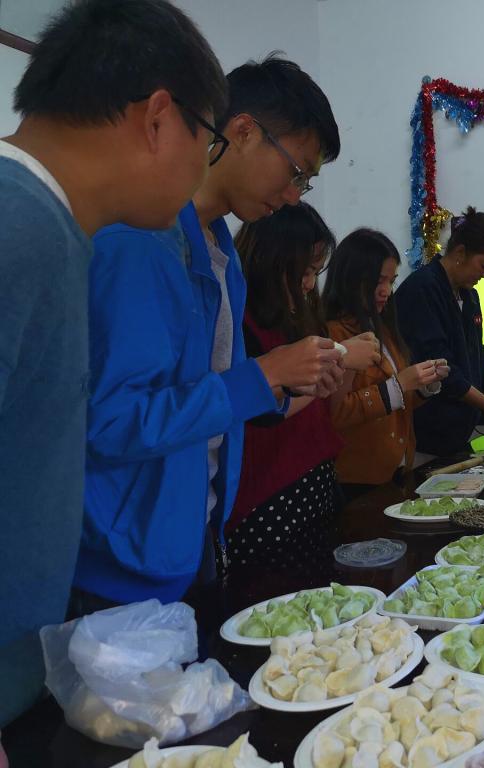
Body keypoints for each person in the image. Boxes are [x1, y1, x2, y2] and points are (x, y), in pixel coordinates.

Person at [76, 56, 376, 611]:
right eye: (297, 172)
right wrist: (264, 374)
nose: (295, 195)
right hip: (125, 565)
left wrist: (283, 384)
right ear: (242, 131)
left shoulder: (221, 255)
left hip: (199, 538)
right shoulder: (138, 240)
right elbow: (111, 423)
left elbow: (213, 398)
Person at [0, 0, 227, 728]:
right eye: (209, 138)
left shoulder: (56, 228)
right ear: (159, 118)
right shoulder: (18, 226)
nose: (204, 167)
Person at [225, 203, 375, 574]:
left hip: (316, 480)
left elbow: (327, 404)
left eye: (314, 272)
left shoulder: (299, 317)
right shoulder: (238, 320)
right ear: (272, 261)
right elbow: (262, 410)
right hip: (267, 495)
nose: (309, 284)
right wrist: (341, 355)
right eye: (305, 271)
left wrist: (342, 364)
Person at [395, 208, 484, 457]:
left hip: (457, 435)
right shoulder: (423, 289)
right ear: (460, 253)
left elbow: (478, 357)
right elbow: (440, 367)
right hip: (425, 435)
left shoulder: (469, 296)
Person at [323, 228, 449, 497]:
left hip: (396, 472)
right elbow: (335, 414)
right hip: (356, 480)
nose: (386, 291)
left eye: (391, 282)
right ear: (351, 277)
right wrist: (399, 385)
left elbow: (399, 401)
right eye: (379, 281)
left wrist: (425, 385)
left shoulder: (383, 328)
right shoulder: (332, 334)